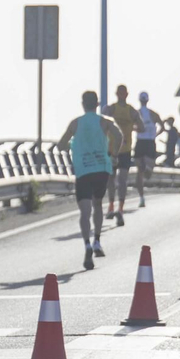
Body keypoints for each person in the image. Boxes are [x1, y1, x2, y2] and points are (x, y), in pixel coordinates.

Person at [58, 90, 121, 271]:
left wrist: (73, 145)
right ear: (97, 103)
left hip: (83, 169)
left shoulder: (75, 123)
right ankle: (97, 242)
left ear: (83, 104)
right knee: (98, 205)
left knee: (84, 211)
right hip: (101, 168)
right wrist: (114, 154)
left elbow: (61, 145)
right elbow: (118, 136)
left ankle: (86, 244)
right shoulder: (105, 121)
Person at [103, 84, 143, 226]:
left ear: (125, 94)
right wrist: (131, 127)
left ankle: (118, 208)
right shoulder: (112, 109)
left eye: (122, 93)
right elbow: (142, 127)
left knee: (121, 180)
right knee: (112, 180)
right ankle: (112, 206)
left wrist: (131, 127)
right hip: (112, 149)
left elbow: (142, 127)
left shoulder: (130, 111)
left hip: (124, 149)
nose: (121, 95)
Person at [133, 91, 162, 207]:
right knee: (147, 173)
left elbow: (131, 126)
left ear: (140, 100)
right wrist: (155, 134)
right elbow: (163, 127)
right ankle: (141, 197)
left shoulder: (136, 113)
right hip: (150, 142)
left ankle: (141, 197)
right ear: (147, 100)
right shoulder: (153, 114)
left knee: (139, 173)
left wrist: (137, 129)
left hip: (140, 142)